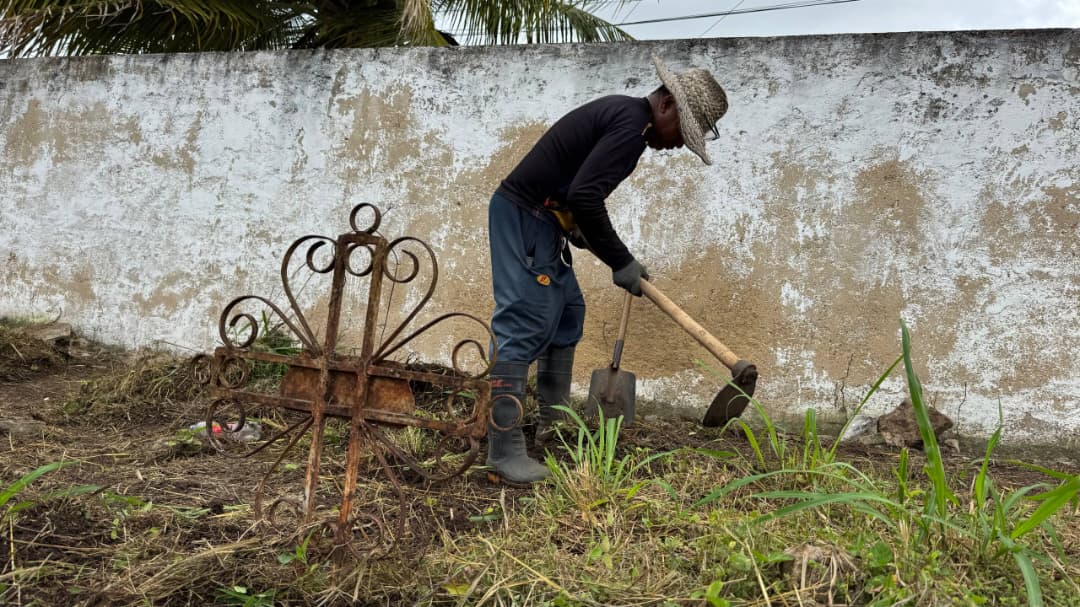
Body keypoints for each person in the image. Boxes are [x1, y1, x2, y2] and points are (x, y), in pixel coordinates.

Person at [485, 55, 729, 484]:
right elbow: (586, 196)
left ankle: (552, 427)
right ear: (667, 105)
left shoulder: (625, 117)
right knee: (524, 323)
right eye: (682, 134)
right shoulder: (632, 127)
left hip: (545, 220)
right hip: (524, 216)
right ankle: (502, 449)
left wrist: (580, 230)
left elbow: (575, 192)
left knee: (566, 313)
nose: (676, 146)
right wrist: (621, 260)